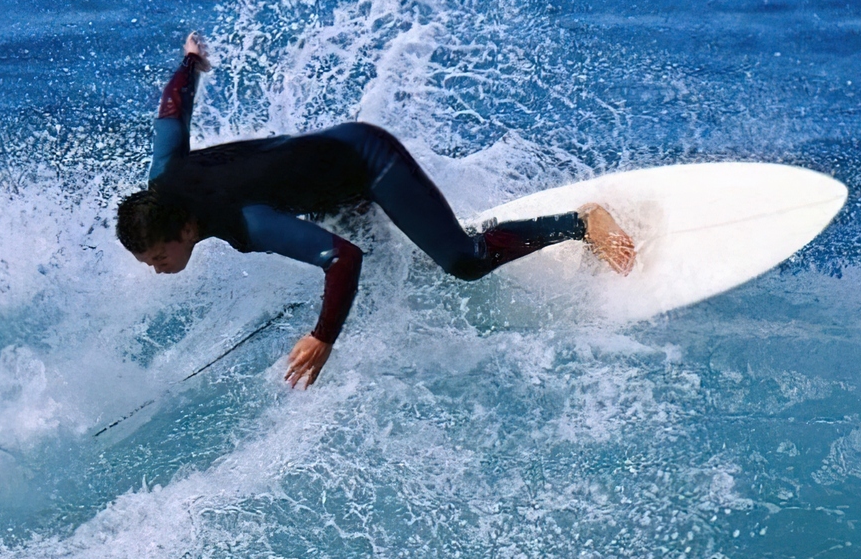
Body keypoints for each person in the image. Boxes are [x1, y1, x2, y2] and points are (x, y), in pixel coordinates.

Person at [115, 33, 635, 387]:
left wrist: (323, 338)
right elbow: (173, 107)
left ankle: (581, 222)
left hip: (367, 163)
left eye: (160, 257)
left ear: (184, 228)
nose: (159, 270)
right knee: (396, 269)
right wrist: (190, 62)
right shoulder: (162, 181)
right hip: (325, 184)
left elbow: (343, 258)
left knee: (464, 264)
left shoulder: (242, 221)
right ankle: (449, 233)